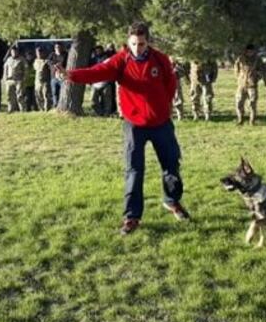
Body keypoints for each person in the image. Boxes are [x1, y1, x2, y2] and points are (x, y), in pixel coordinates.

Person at [55, 21, 189, 236]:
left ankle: (172, 201)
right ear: (128, 42)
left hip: (161, 123)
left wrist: (164, 106)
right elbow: (97, 72)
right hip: (134, 125)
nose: (138, 48)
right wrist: (71, 75)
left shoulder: (160, 60)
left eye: (142, 44)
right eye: (134, 44)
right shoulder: (121, 60)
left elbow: (170, 84)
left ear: (148, 42)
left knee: (172, 165)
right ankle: (132, 217)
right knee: (134, 171)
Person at [234, 44, 264, 125]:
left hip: (252, 85)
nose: (249, 52)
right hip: (241, 85)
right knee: (239, 102)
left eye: (251, 51)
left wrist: (256, 77)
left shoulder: (258, 60)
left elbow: (262, 71)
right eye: (248, 51)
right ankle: (240, 119)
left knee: (252, 103)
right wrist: (239, 78)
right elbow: (236, 69)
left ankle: (252, 120)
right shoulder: (241, 59)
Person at [189, 57, 217, 121]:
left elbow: (215, 67)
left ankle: (207, 115)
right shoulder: (191, 55)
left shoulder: (207, 55)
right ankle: (196, 115)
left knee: (207, 98)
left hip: (206, 80)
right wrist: (189, 79)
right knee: (194, 97)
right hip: (195, 80)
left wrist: (213, 78)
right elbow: (187, 67)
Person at [2, 46, 26, 113]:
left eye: (15, 51)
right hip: (10, 80)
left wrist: (24, 78)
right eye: (12, 51)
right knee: (9, 96)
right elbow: (5, 69)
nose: (14, 53)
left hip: (19, 80)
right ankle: (11, 109)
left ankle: (22, 109)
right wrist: (5, 78)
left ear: (17, 52)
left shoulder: (21, 59)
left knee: (20, 95)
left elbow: (25, 70)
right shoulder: (8, 59)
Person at [32, 47, 52, 111]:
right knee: (38, 96)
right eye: (38, 52)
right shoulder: (35, 61)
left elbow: (51, 70)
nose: (39, 54)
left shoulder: (46, 61)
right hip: (37, 81)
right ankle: (41, 109)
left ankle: (47, 109)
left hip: (45, 81)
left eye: (40, 52)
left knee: (46, 95)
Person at [49, 43, 68, 107]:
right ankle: (55, 105)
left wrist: (60, 66)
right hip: (54, 77)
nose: (58, 48)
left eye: (59, 47)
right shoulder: (52, 55)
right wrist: (55, 65)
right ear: (55, 48)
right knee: (54, 92)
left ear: (62, 48)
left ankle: (63, 105)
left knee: (63, 92)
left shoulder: (65, 54)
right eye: (57, 47)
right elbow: (48, 62)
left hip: (62, 77)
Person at [171, 56, 187, 121]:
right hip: (165, 83)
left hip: (176, 82)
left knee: (178, 99)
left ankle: (180, 116)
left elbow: (182, 73)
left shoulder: (178, 64)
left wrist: (176, 67)